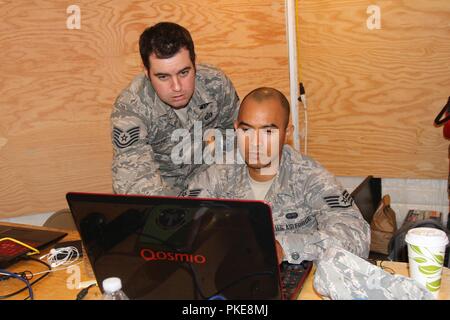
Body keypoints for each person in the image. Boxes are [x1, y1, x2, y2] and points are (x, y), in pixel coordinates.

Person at [183, 87, 370, 264]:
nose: (255, 143)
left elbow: (357, 237)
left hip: (294, 279)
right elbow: (183, 226)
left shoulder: (309, 177)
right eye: (246, 130)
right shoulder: (218, 174)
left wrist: (284, 248)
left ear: (287, 132)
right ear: (236, 128)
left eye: (268, 132)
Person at [111, 22, 240, 196]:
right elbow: (134, 181)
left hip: (214, 190)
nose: (177, 87)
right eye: (163, 76)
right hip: (163, 198)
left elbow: (239, 140)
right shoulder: (132, 107)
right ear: (147, 72)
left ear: (194, 64)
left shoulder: (215, 84)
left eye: (184, 72)